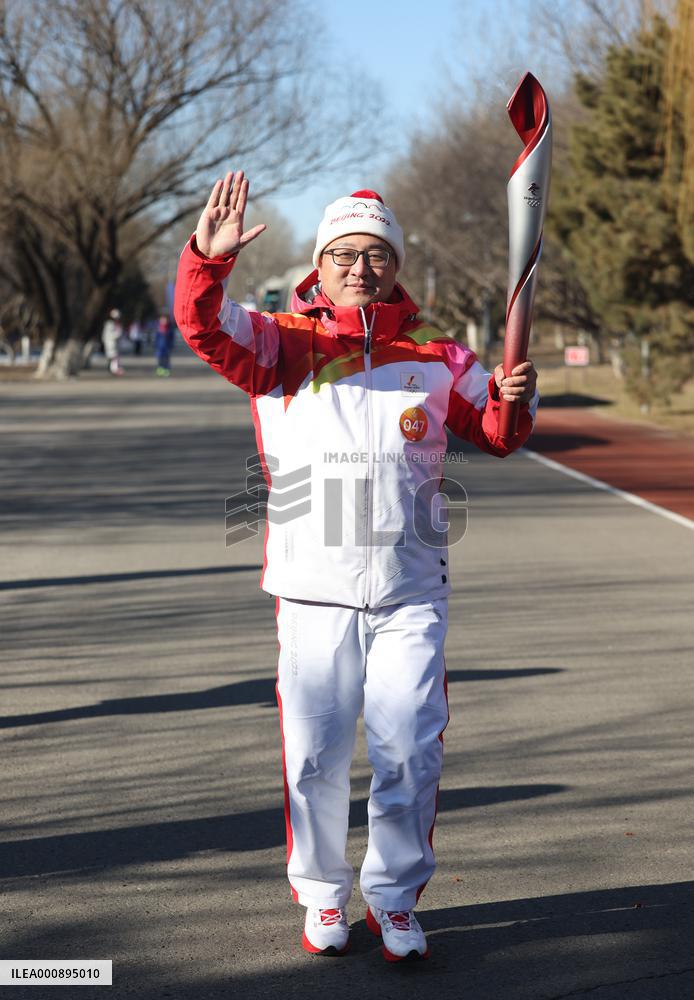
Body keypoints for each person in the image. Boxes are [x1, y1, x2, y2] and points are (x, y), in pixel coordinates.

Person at [173, 170, 538, 962]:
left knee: (411, 745)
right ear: (320, 262)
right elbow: (201, 326)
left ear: (396, 266)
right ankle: (323, 894)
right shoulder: (278, 344)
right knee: (314, 751)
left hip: (411, 590)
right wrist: (208, 259)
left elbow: (500, 432)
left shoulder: (441, 358)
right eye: (343, 253)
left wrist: (515, 396)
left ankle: (395, 900)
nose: (359, 268)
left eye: (375, 255)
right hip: (312, 588)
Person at [102, 308, 124, 376]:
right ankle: (114, 370)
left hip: (112, 343)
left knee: (114, 357)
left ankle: (114, 369)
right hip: (110, 343)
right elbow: (110, 335)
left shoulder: (113, 324)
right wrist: (118, 333)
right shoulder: (109, 324)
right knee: (113, 357)